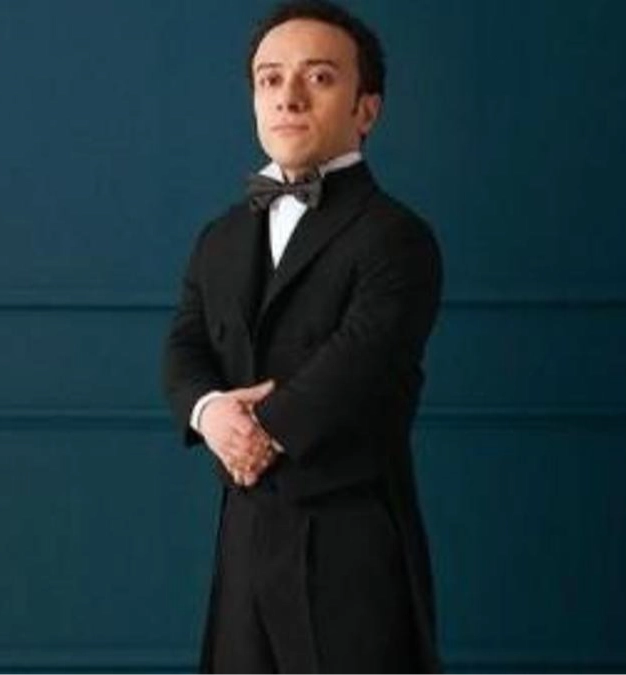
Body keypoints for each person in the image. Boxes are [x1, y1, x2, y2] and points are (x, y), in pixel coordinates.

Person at [162, 2, 443, 673]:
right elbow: (184, 347)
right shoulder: (219, 237)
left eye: (318, 77)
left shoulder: (398, 237)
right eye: (270, 79)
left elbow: (361, 362)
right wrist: (211, 413)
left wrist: (255, 432)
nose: (287, 96)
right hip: (243, 543)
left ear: (366, 109)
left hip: (350, 552)